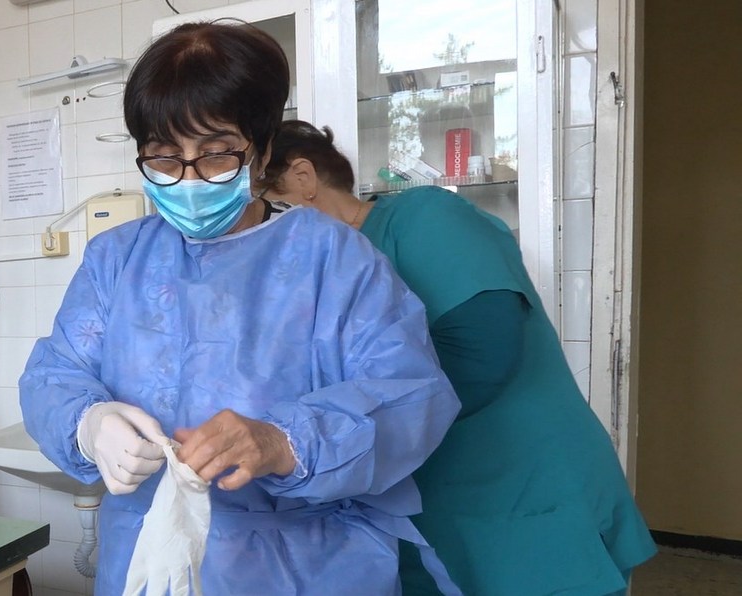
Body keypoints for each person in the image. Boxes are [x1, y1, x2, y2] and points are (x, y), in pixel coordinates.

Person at [19, 22, 462, 594]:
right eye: (164, 157)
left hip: (308, 564)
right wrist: (88, 423)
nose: (188, 179)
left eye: (215, 155)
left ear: (262, 151)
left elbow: (409, 395)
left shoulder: (332, 259)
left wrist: (282, 442)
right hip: (149, 559)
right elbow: (54, 375)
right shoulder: (116, 261)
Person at [255, 120, 657, 596]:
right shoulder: (327, 276)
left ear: (303, 177)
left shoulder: (423, 217)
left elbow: (483, 350)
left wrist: (340, 433)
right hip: (437, 511)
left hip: (524, 495)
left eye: (266, 207)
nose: (262, 229)